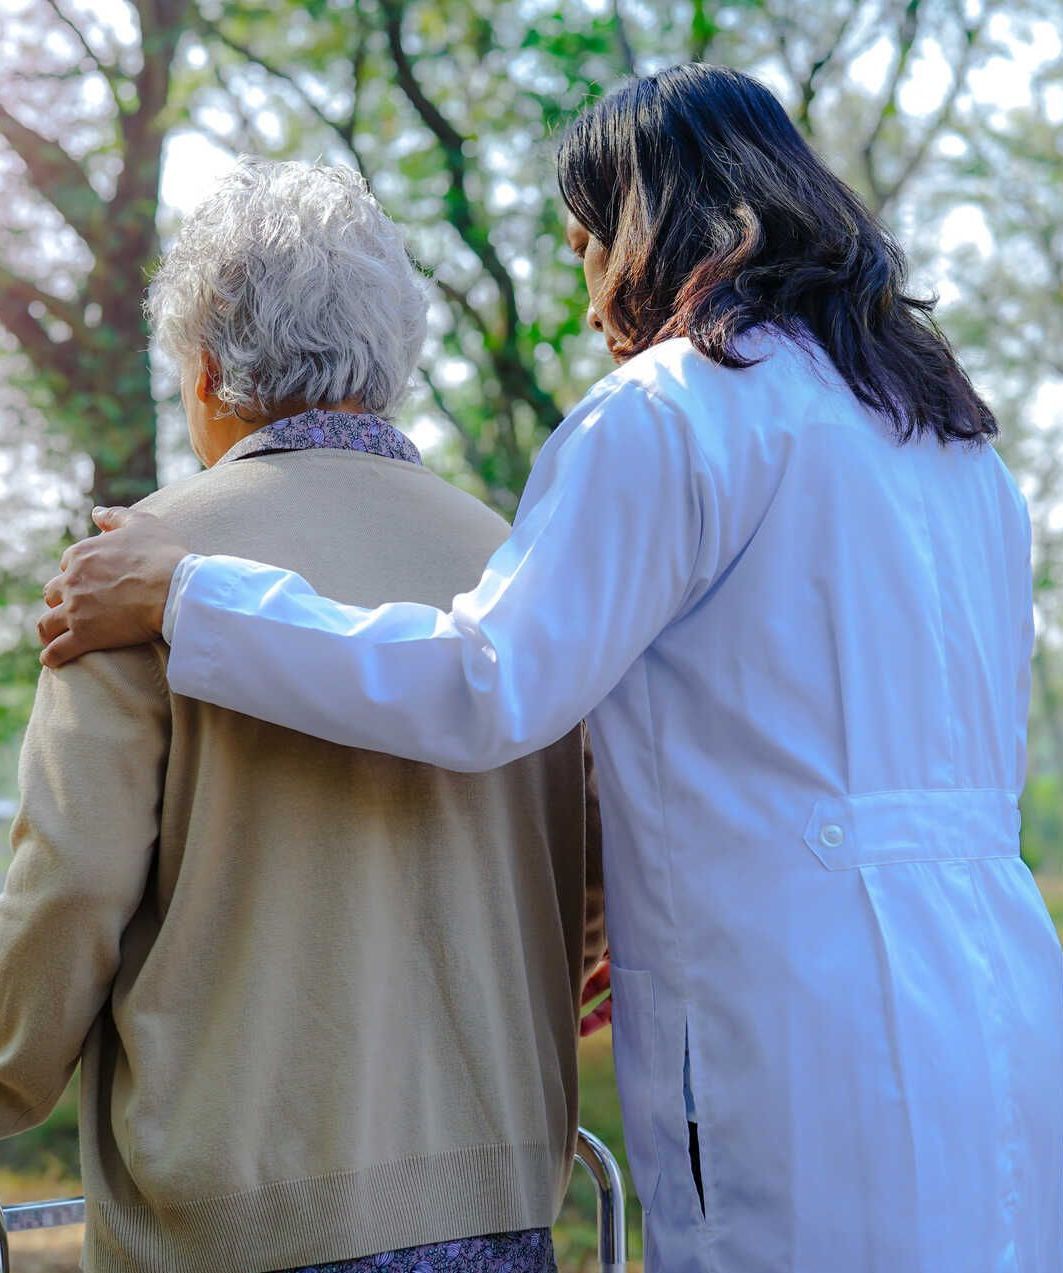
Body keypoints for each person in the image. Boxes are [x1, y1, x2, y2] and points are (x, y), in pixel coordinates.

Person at [38, 64, 1063, 1273]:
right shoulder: (954, 447)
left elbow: (486, 683)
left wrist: (189, 597)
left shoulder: (677, 411)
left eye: (587, 243)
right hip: (1000, 1014)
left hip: (803, 1040)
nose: (587, 303)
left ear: (672, 222)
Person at [2, 158, 605, 1273]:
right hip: (500, 1200)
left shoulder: (129, 570)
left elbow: (71, 883)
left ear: (205, 366)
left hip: (238, 1219)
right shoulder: (521, 568)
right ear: (394, 356)